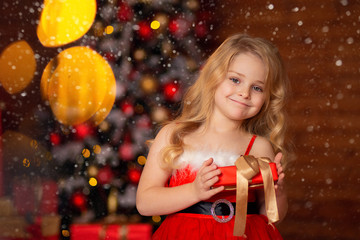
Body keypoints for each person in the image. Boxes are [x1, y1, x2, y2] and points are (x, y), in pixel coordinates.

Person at [136, 33, 289, 240]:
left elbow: (271, 217)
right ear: (214, 78)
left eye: (257, 87)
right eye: (235, 80)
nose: (245, 93)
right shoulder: (175, 135)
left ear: (267, 97)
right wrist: (194, 192)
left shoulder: (259, 147)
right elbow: (145, 203)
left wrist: (277, 192)